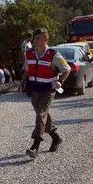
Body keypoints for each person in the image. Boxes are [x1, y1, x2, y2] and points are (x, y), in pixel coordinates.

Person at [24, 28, 71, 158]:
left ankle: (35, 146)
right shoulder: (29, 54)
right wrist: (23, 83)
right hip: (34, 91)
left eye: (38, 37)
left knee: (40, 114)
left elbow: (67, 69)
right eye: (35, 38)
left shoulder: (54, 54)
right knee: (44, 117)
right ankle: (56, 138)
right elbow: (27, 70)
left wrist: (60, 81)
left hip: (48, 90)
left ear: (45, 38)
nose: (35, 40)